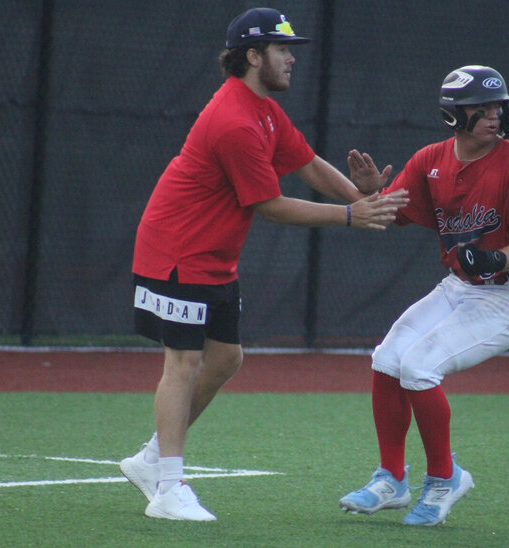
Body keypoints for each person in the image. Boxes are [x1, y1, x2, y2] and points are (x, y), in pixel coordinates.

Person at [120, 7, 408, 521]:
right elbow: (270, 206)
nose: (291, 58)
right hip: (176, 253)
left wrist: (363, 195)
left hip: (214, 258)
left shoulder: (265, 111)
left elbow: (308, 163)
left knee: (226, 358)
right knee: (182, 362)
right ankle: (167, 487)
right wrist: (349, 215)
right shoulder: (233, 120)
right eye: (282, 50)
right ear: (253, 56)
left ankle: (150, 458)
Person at [339, 65, 509, 526]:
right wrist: (374, 191)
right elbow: (389, 212)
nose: (494, 115)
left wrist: (495, 260)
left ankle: (444, 479)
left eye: (498, 106)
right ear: (454, 114)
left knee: (418, 367)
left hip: (506, 296)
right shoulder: (431, 158)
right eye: (482, 107)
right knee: (388, 358)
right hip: (458, 288)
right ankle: (392, 480)